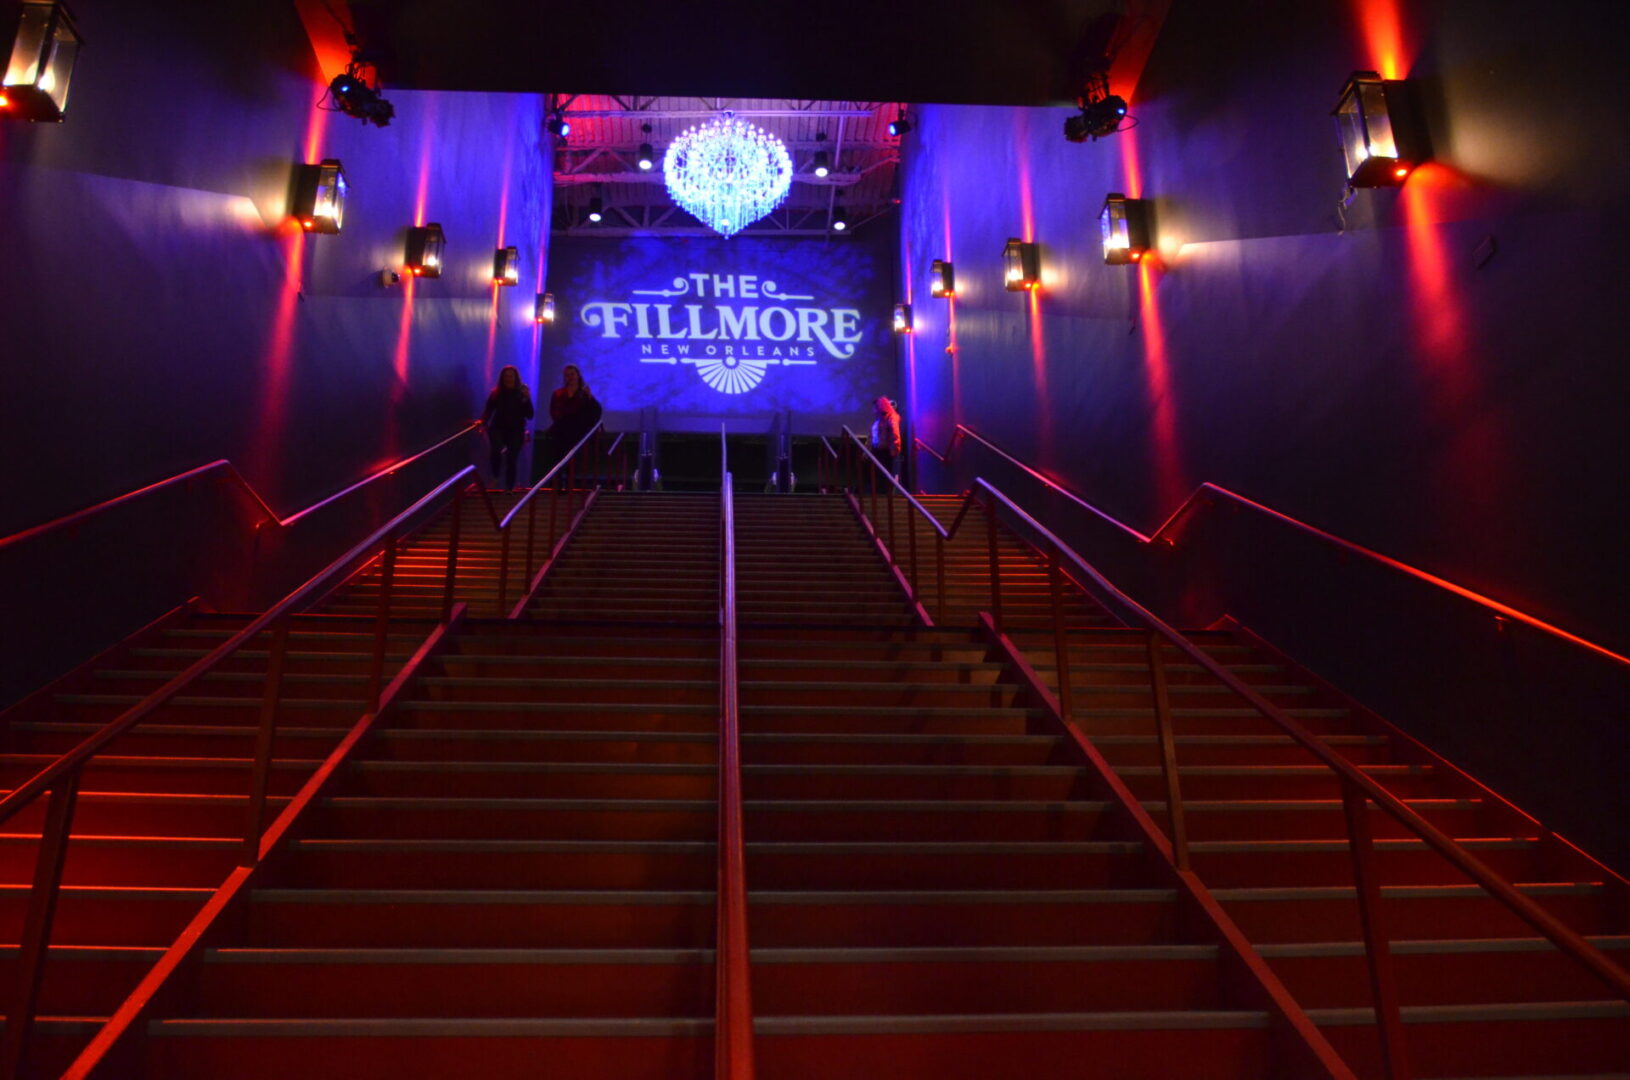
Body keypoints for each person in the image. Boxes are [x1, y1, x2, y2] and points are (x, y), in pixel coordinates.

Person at [478, 365, 534, 490]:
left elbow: (530, 414)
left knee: (511, 458)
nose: (508, 379)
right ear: (502, 378)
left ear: (516, 378)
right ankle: (496, 477)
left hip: (516, 430)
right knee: (495, 451)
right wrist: (482, 422)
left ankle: (509, 488)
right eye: (506, 376)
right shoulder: (496, 393)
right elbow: (489, 410)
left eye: (511, 376)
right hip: (498, 428)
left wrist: (527, 398)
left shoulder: (521, 393)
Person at [543, 364, 602, 475]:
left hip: (577, 432)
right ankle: (558, 488)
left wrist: (590, 397)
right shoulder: (558, 393)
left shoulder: (583, 394)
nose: (570, 377)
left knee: (574, 462)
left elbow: (595, 411)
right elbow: (553, 410)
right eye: (567, 375)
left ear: (578, 375)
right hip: (561, 431)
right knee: (558, 460)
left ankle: (571, 488)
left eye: (572, 374)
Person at [871, 396, 903, 478]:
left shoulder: (891, 417)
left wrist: (894, 450)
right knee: (880, 475)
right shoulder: (880, 418)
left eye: (876, 407)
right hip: (878, 450)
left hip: (887, 452)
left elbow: (895, 434)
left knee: (887, 476)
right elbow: (872, 435)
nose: (874, 410)